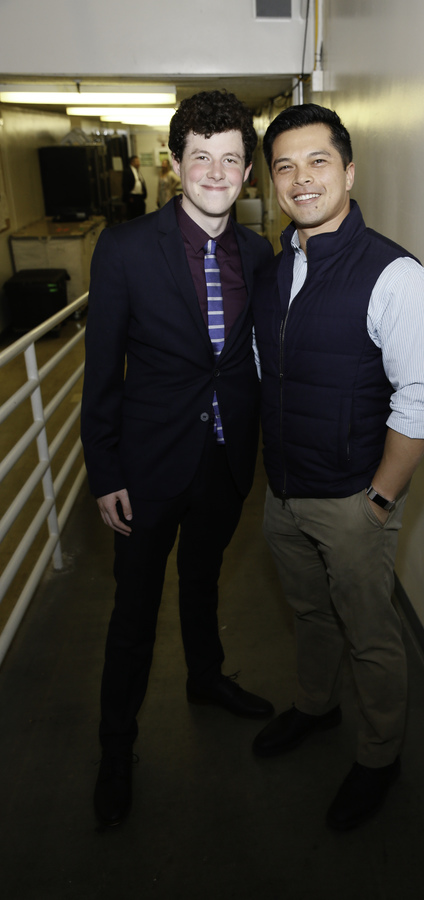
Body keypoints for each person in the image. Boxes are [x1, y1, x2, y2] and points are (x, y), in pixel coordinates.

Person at [251, 104, 424, 831]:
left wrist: (378, 500)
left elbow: (422, 400)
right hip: (285, 495)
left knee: (369, 634)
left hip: (351, 501)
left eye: (318, 162)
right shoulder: (278, 271)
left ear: (349, 170)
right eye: (285, 166)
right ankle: (315, 707)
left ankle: (378, 755)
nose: (301, 179)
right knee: (309, 614)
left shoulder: (395, 277)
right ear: (272, 181)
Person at [81, 90, 274, 828]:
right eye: (202, 158)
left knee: (202, 581)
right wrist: (106, 472)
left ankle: (205, 678)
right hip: (147, 470)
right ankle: (115, 745)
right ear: (175, 164)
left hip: (224, 463)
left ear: (247, 171)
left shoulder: (257, 256)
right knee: (132, 614)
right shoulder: (128, 249)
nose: (217, 173)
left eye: (231, 159)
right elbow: (102, 375)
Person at [122, 154, 147, 219]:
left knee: (141, 215)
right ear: (132, 162)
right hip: (133, 197)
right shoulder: (128, 171)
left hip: (140, 197)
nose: (139, 163)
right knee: (134, 216)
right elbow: (125, 185)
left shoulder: (138, 171)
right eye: (137, 161)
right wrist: (129, 197)